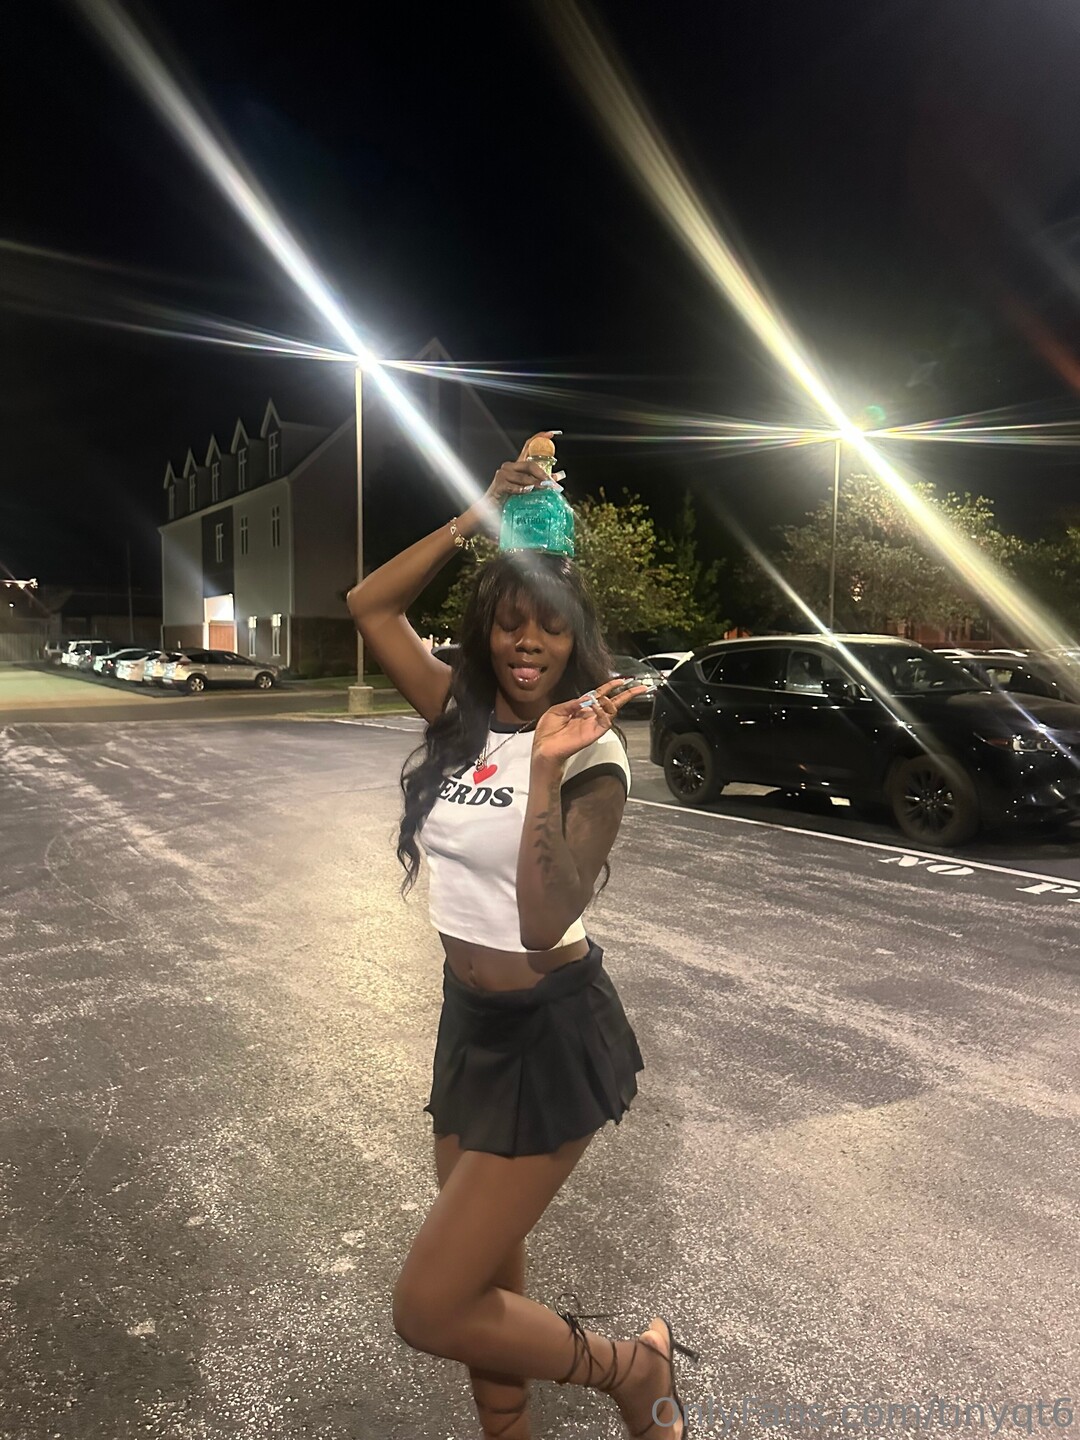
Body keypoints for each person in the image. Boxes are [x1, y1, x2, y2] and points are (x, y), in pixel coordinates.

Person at [346, 433, 699, 1439]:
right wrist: (473, 518)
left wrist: (545, 767)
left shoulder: (592, 753)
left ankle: (631, 1368)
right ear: (487, 631)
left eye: (548, 626)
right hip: (470, 1024)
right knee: (485, 1286)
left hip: (550, 1031)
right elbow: (370, 606)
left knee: (429, 1306)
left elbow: (544, 920)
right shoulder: (458, 712)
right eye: (509, 625)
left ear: (573, 635)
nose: (527, 644)